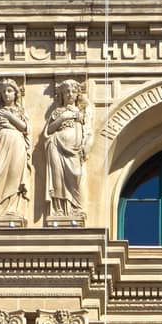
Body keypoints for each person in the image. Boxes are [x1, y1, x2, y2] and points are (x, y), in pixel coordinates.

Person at [0, 78, 31, 222]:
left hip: (17, 143)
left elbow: (25, 127)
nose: (6, 94)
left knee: (14, 175)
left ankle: (11, 210)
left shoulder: (20, 111)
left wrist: (10, 116)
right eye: (3, 92)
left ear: (16, 93)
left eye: (9, 91)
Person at [44, 80, 93, 222]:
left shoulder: (83, 111)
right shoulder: (58, 112)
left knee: (76, 175)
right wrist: (63, 118)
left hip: (75, 150)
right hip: (56, 146)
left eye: (73, 91)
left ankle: (75, 208)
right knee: (58, 178)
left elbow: (88, 130)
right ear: (62, 94)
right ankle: (59, 209)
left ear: (78, 94)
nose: (70, 94)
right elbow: (49, 130)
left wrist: (86, 144)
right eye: (67, 92)